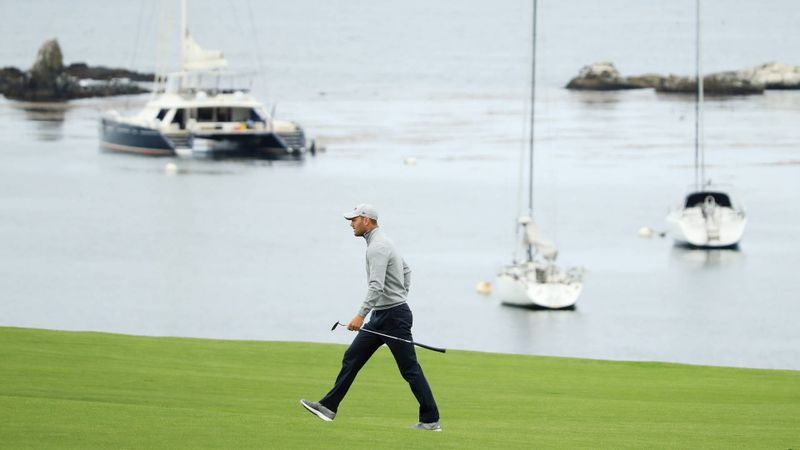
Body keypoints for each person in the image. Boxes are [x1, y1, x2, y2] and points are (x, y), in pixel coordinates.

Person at [300, 204, 441, 431]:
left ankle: (430, 419)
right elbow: (406, 271)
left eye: (354, 219)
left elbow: (376, 286)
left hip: (393, 317)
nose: (351, 223)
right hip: (385, 314)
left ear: (367, 220)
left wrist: (360, 315)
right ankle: (328, 407)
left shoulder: (377, 246)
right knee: (352, 357)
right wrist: (399, 295)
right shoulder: (382, 241)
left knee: (409, 369)